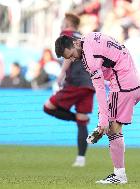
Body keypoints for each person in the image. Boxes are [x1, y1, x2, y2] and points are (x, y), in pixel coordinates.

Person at [55, 31, 140, 184]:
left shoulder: (89, 59)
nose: (72, 59)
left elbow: (100, 89)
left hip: (123, 85)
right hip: (137, 82)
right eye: (68, 58)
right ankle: (118, 172)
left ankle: (119, 175)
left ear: (76, 43)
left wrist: (102, 120)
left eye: (71, 55)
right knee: (111, 126)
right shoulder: (91, 36)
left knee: (112, 129)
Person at [43, 13, 95, 167]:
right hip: (89, 83)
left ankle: (75, 119)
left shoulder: (66, 34)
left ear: (68, 23)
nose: (61, 25)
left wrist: (61, 75)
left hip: (75, 82)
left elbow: (67, 55)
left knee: (48, 107)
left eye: (63, 22)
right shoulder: (83, 37)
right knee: (82, 120)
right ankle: (81, 159)